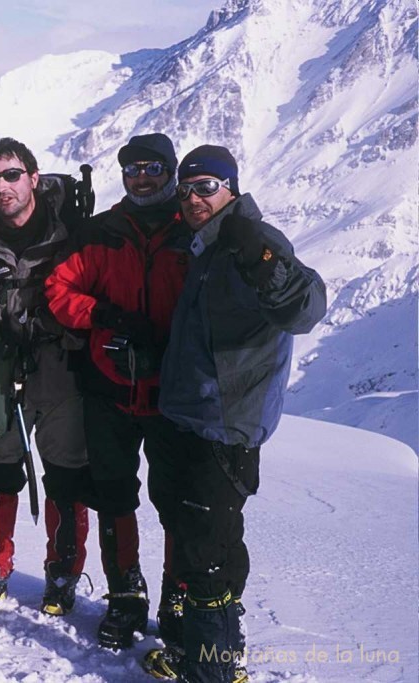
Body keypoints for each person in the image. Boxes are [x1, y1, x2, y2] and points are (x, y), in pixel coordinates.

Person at [142, 145, 326, 683]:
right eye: (186, 188)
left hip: (225, 425)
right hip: (184, 416)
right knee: (190, 531)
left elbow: (306, 308)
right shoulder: (203, 247)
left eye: (207, 186)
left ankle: (215, 670)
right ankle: (189, 650)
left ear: (231, 188)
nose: (194, 197)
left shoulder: (252, 241)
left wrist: (262, 262)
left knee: (209, 551)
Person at [45, 133, 189, 649]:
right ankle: (125, 597)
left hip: (175, 396)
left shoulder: (192, 228)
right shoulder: (103, 231)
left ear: (170, 170)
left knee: (177, 502)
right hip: (109, 388)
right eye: (133, 170)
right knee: (114, 497)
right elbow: (60, 290)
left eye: (153, 168)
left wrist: (173, 340)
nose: (143, 178)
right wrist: (102, 315)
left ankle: (178, 598)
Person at [0, 137, 91, 617]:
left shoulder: (74, 234)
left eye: (11, 175)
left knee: (68, 476)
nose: (1, 187)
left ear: (33, 177)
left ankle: (63, 573)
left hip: (62, 373)